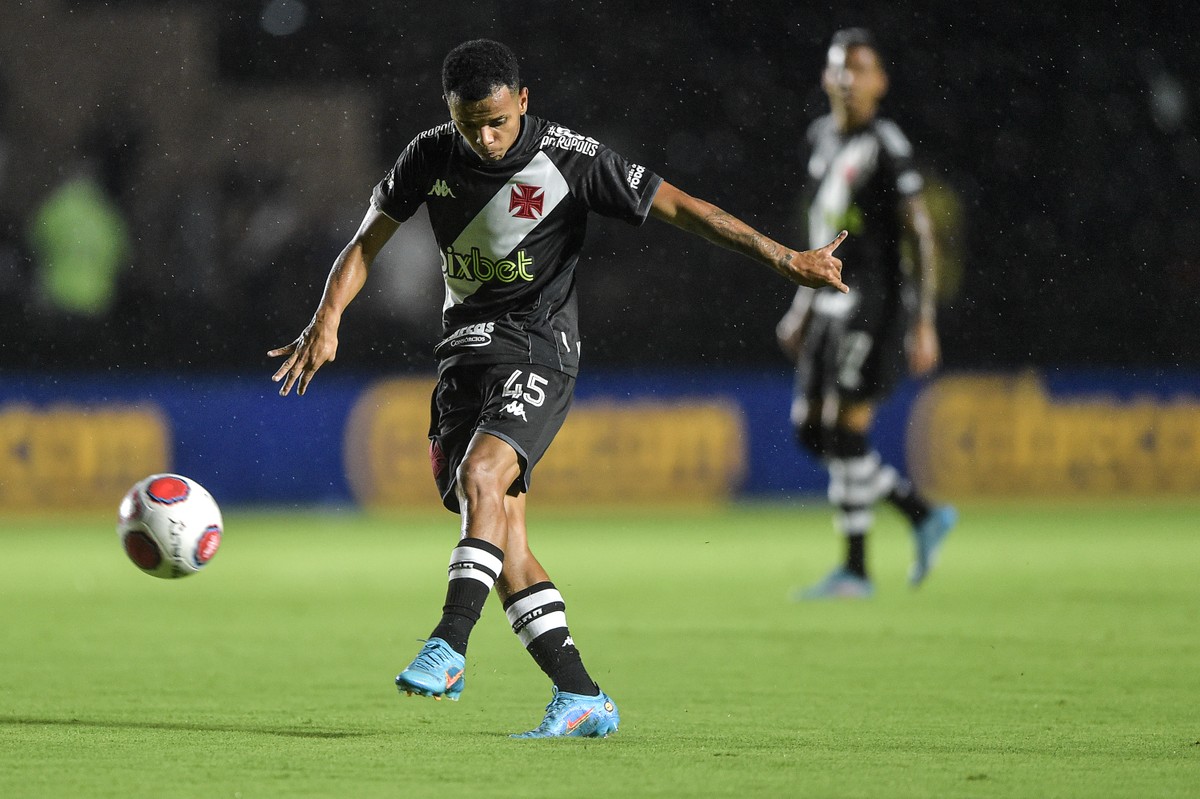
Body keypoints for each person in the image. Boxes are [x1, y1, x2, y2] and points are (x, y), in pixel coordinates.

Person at [270, 39, 847, 738]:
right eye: (467, 123)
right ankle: (581, 697)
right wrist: (326, 320)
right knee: (504, 538)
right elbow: (367, 241)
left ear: (523, 101)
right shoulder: (429, 155)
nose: (483, 138)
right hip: (463, 358)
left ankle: (449, 641)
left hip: (540, 349)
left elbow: (682, 207)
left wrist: (784, 259)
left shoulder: (571, 160)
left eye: (495, 121)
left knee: (485, 477)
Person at [777, 28, 956, 601]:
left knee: (843, 430)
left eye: (861, 69)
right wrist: (802, 303)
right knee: (810, 431)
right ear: (828, 78)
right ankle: (918, 512)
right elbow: (818, 232)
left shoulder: (886, 142)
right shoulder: (821, 138)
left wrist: (923, 319)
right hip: (828, 302)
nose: (849, 79)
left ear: (880, 82)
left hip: (873, 303)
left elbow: (920, 233)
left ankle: (856, 569)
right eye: (840, 68)